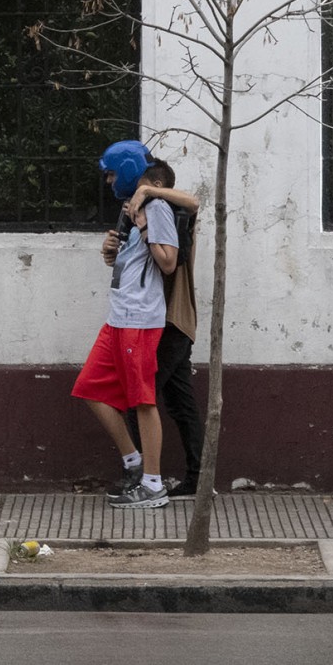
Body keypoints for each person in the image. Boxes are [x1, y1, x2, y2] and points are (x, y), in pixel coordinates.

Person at [71, 140, 180, 509]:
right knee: (89, 389)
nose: (109, 181)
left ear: (131, 170)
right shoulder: (132, 208)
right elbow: (134, 261)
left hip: (139, 319)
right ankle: (134, 464)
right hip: (119, 316)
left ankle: (153, 485)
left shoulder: (157, 206)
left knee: (143, 401)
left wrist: (146, 228)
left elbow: (167, 262)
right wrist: (112, 253)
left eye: (113, 174)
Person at [105, 161, 208, 501]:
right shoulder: (147, 214)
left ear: (156, 184)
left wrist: (149, 193)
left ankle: (144, 480)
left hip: (170, 320)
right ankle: (197, 479)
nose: (136, 193)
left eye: (142, 186)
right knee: (180, 402)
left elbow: (194, 201)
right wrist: (114, 251)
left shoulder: (169, 208)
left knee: (140, 399)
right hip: (164, 319)